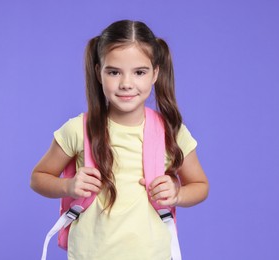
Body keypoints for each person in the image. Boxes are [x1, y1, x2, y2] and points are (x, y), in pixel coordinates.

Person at [30, 19, 209, 260]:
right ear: (98, 73)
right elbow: (38, 178)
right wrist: (68, 186)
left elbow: (200, 185)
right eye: (114, 72)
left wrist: (177, 194)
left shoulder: (171, 132)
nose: (126, 83)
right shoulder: (78, 129)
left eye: (139, 72)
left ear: (155, 73)